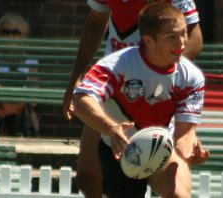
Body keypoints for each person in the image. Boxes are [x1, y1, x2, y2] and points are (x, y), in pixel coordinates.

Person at [63, 0, 203, 197]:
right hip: (114, 89)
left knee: (177, 193)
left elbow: (194, 38)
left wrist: (162, 72)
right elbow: (95, 22)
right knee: (88, 175)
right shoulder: (116, 66)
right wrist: (76, 78)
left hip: (156, 93)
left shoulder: (189, 77)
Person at [0, 13, 39, 136]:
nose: (10, 36)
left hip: (19, 107)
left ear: (22, 35)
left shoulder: (30, 61)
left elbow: (34, 91)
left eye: (15, 32)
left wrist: (11, 108)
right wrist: (5, 105)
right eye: (5, 32)